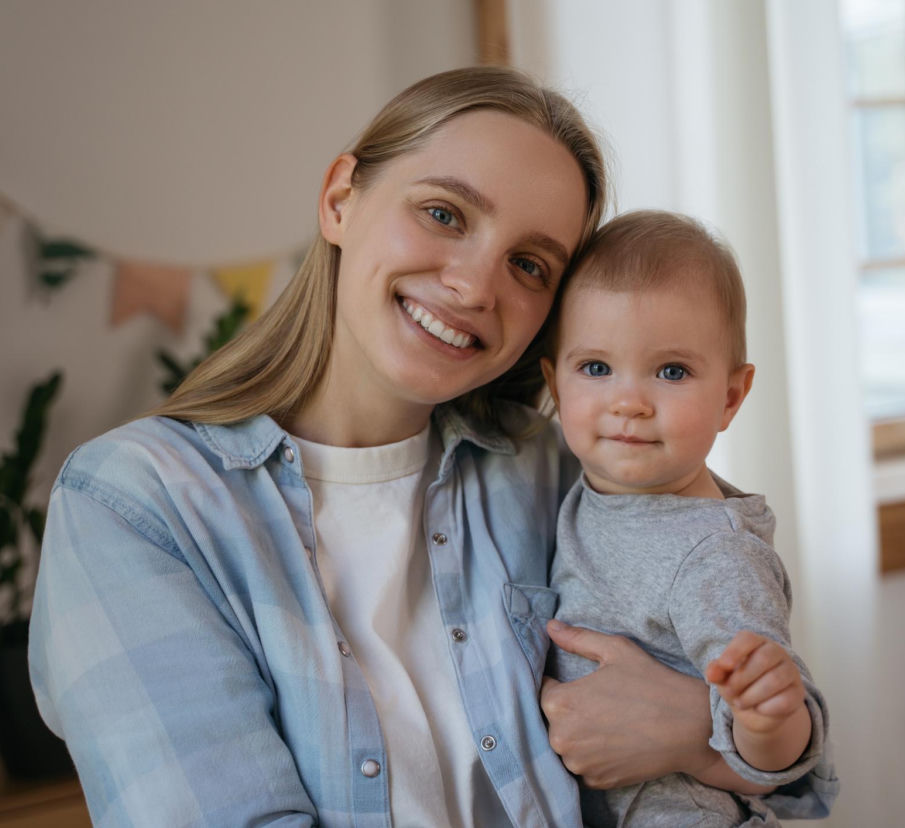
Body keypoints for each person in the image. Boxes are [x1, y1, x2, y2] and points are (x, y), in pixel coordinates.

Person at [26, 67, 784, 828]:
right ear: (339, 201)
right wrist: (698, 729)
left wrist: (694, 730)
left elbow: (784, 755)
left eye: (529, 264)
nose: (473, 285)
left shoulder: (558, 471)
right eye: (444, 214)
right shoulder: (132, 507)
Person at [542, 211, 839, 826]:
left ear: (730, 397)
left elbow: (780, 754)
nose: (628, 401)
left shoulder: (715, 557)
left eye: (671, 371)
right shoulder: (578, 486)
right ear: (555, 384)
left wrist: (769, 716)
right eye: (596, 368)